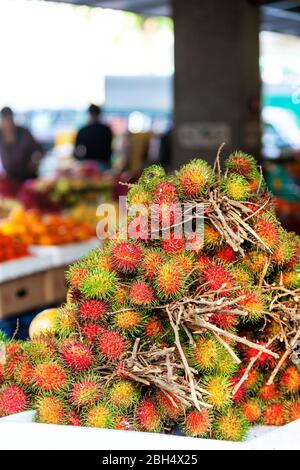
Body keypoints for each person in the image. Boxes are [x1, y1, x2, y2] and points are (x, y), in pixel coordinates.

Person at [0, 107, 43, 182]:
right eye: (6, 121)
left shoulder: (24, 133)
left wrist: (35, 161)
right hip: (10, 178)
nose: (8, 124)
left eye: (10, 120)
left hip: (28, 177)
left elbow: (39, 150)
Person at [74, 104, 113, 169]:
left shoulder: (83, 130)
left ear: (89, 114)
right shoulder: (106, 130)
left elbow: (78, 152)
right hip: (103, 164)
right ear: (99, 114)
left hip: (86, 165)